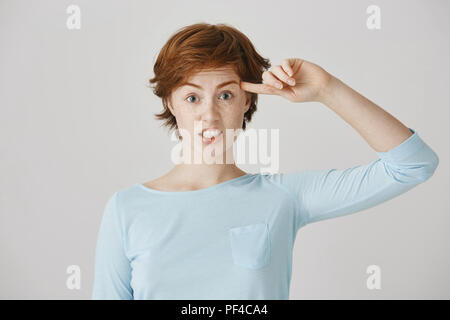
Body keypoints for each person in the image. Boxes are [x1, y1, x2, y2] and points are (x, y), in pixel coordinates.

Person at [92, 23, 439, 299]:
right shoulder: (127, 209)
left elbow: (413, 165)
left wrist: (326, 89)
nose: (209, 114)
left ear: (246, 100)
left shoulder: (282, 197)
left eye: (225, 95)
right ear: (170, 102)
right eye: (192, 97)